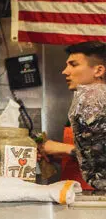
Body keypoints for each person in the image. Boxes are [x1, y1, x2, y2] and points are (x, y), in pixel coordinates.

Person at [43, 41, 106, 190]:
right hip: (77, 193)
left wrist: (64, 149)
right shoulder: (82, 105)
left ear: (98, 70)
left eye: (74, 64)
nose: (65, 71)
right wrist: (58, 155)